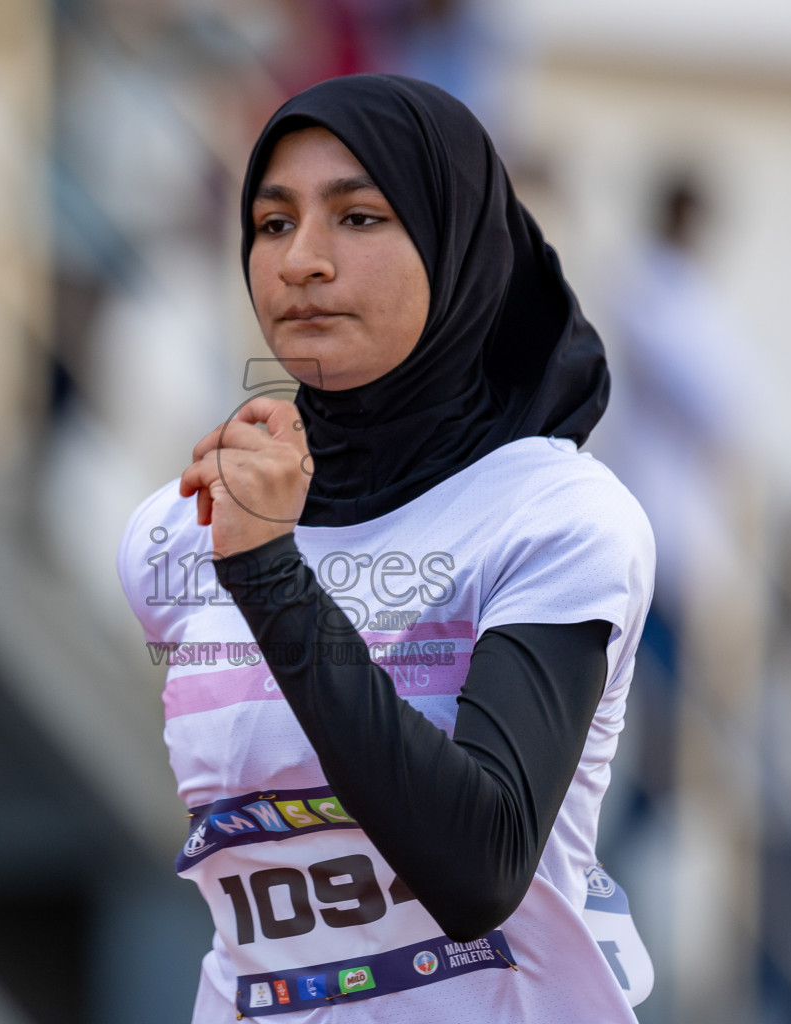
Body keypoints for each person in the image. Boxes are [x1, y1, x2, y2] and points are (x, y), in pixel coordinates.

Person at [118, 75, 654, 1022]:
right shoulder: (177, 531)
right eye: (274, 223)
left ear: (456, 247)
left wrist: (267, 572)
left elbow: (479, 866)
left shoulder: (556, 518)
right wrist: (254, 545)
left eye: (360, 218)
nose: (303, 261)